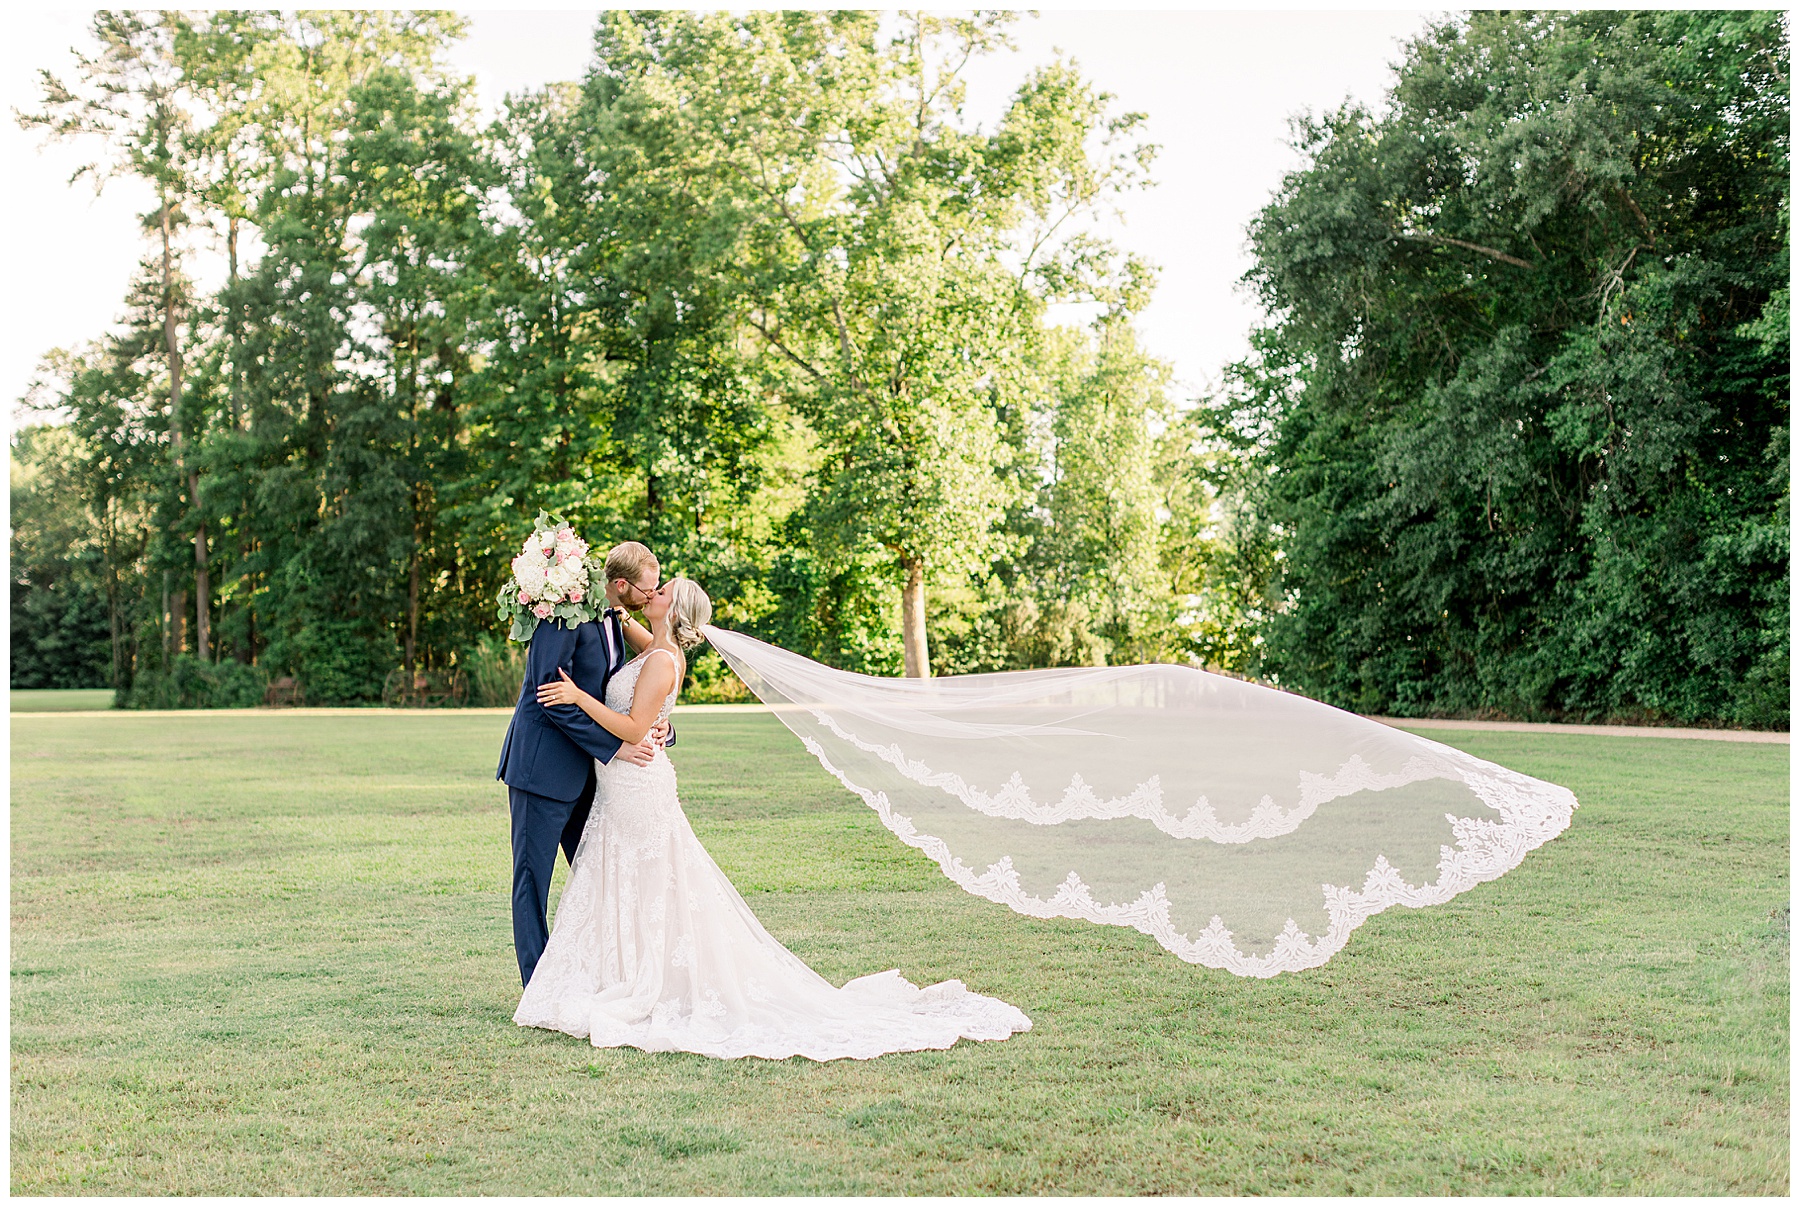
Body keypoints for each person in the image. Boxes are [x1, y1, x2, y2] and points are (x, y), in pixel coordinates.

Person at [513, 576, 1031, 1061]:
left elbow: (633, 726)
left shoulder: (662, 660)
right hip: (622, 788)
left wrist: (580, 696)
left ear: (672, 608)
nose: (656, 588)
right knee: (630, 881)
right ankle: (618, 971)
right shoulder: (655, 648)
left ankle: (649, 981)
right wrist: (598, 594)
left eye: (663, 588)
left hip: (637, 784)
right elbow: (628, 630)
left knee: (652, 882)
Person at [495, 540, 674, 988]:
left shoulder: (616, 618)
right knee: (532, 881)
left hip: (591, 777)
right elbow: (549, 695)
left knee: (597, 878)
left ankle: (602, 974)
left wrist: (659, 729)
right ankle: (538, 986)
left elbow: (631, 690)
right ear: (621, 584)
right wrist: (614, 748)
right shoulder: (562, 611)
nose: (653, 596)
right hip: (543, 768)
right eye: (647, 589)